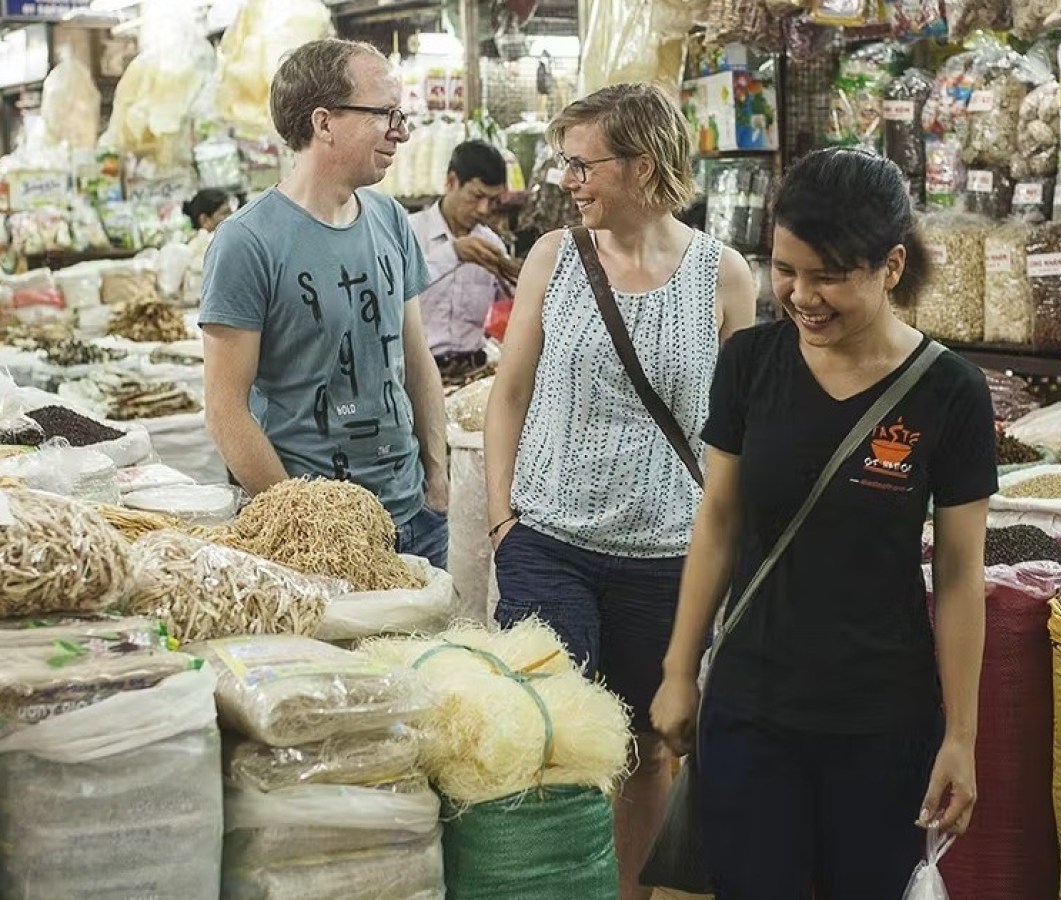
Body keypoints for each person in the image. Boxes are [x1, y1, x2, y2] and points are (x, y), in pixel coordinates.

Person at [649, 148, 996, 899]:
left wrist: (960, 738)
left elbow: (963, 577)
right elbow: (717, 520)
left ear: (891, 266)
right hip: (751, 711)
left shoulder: (951, 393)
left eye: (828, 275)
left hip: (881, 722)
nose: (800, 296)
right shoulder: (749, 363)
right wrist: (680, 671)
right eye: (784, 269)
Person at [484, 83, 757, 900]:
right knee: (553, 738)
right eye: (564, 162)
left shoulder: (723, 273)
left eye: (582, 162)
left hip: (668, 558)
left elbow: (740, 429)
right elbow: (510, 393)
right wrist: (503, 521)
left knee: (646, 748)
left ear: (643, 165)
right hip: (550, 544)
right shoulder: (553, 258)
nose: (566, 178)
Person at [198, 38, 448, 568]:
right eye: (384, 113)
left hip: (415, 519)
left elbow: (416, 359)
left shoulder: (391, 221)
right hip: (314, 539)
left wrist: (438, 477)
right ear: (324, 122)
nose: (400, 130)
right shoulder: (247, 242)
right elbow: (225, 410)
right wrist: (305, 525)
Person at [411, 139, 512, 379]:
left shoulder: (491, 244)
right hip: (417, 376)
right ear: (451, 181)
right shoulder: (409, 232)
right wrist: (453, 253)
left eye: (493, 200)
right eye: (476, 196)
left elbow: (515, 301)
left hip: (474, 373)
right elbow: (392, 290)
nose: (484, 209)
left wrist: (512, 272)